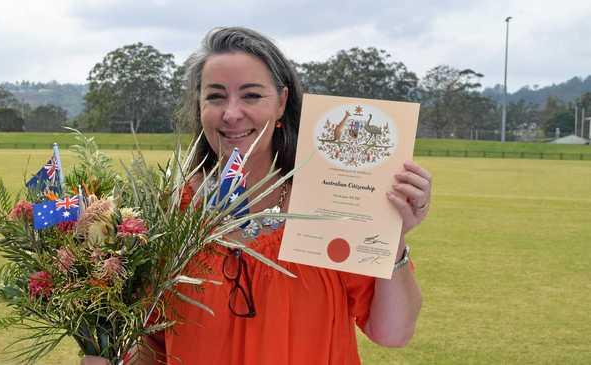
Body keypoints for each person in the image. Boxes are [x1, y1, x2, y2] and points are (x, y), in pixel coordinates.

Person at [83, 26, 430, 365]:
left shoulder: (330, 201)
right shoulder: (169, 210)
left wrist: (392, 238)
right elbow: (151, 344)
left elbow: (392, 332)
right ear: (199, 105)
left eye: (251, 95)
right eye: (216, 96)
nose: (232, 113)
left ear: (281, 102)